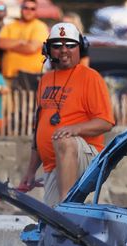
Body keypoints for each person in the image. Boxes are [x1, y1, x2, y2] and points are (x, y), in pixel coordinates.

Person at [18, 23, 114, 207]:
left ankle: (67, 206)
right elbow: (39, 130)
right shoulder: (45, 80)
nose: (64, 50)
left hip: (85, 156)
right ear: (47, 50)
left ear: (81, 48)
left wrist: (75, 129)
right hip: (55, 165)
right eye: (57, 46)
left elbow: (106, 122)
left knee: (64, 140)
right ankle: (64, 210)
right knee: (51, 224)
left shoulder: (90, 77)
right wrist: (30, 171)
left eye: (70, 45)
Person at [0, 0, 49, 90]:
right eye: (26, 8)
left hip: (30, 77)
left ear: (36, 11)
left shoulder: (40, 26)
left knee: (27, 104)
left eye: (32, 9)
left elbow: (31, 48)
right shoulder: (9, 26)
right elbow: (0, 43)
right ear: (21, 9)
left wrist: (10, 45)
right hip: (8, 76)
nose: (29, 11)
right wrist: (21, 42)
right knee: (8, 104)